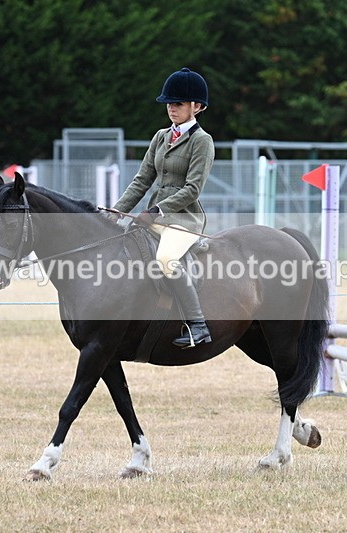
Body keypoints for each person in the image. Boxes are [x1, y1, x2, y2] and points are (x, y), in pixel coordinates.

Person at [110, 67, 214, 348]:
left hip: (184, 220)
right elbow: (142, 179)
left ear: (197, 107)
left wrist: (156, 211)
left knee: (166, 259)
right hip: (155, 216)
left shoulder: (202, 142)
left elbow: (192, 189)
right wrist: (116, 211)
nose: (171, 108)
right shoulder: (160, 137)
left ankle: (197, 325)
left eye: (178, 103)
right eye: (169, 103)